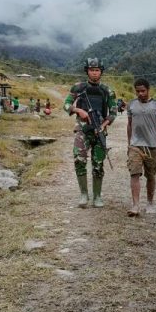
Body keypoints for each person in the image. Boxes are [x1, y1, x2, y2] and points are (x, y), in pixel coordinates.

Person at [62, 57, 117, 208]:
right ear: (87, 71)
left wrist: (104, 124)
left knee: (98, 164)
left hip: (99, 130)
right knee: (79, 159)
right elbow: (66, 105)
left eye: (97, 70)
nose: (94, 73)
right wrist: (78, 110)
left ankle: (97, 196)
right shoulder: (78, 88)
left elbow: (113, 112)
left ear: (101, 72)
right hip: (82, 129)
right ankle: (84, 194)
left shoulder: (107, 91)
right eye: (92, 70)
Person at [126, 78, 156, 217]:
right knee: (134, 174)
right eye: (137, 91)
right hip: (135, 145)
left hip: (152, 146)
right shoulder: (131, 105)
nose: (140, 93)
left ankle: (150, 202)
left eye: (143, 91)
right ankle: (135, 205)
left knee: (151, 175)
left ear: (148, 90)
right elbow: (129, 124)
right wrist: (129, 143)